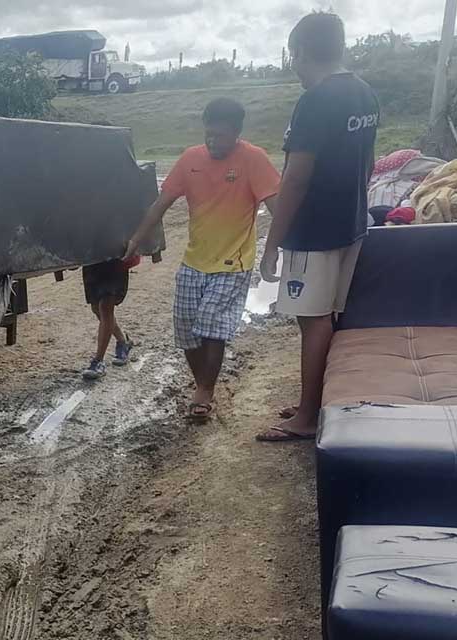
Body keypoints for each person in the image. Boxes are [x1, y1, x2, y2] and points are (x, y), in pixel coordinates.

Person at [256, 12, 379, 442]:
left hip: (314, 232)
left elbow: (295, 177)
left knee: (313, 321)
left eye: (293, 56)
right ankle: (316, 401)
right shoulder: (365, 94)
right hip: (351, 225)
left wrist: (272, 244)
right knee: (326, 318)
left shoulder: (315, 101)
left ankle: (308, 416)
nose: (294, 66)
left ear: (302, 52)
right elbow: (368, 165)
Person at [125, 98, 280, 421]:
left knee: (211, 324)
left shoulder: (254, 160)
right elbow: (160, 204)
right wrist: (137, 239)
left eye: (221, 136)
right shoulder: (190, 159)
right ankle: (202, 384)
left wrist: (272, 252)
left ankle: (205, 392)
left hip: (233, 262)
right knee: (185, 329)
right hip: (194, 260)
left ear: (237, 133)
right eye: (209, 134)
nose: (213, 142)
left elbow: (278, 211)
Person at [80, 256, 139, 380]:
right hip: (92, 259)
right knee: (96, 308)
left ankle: (98, 361)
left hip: (114, 258)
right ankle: (123, 342)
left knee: (106, 307)